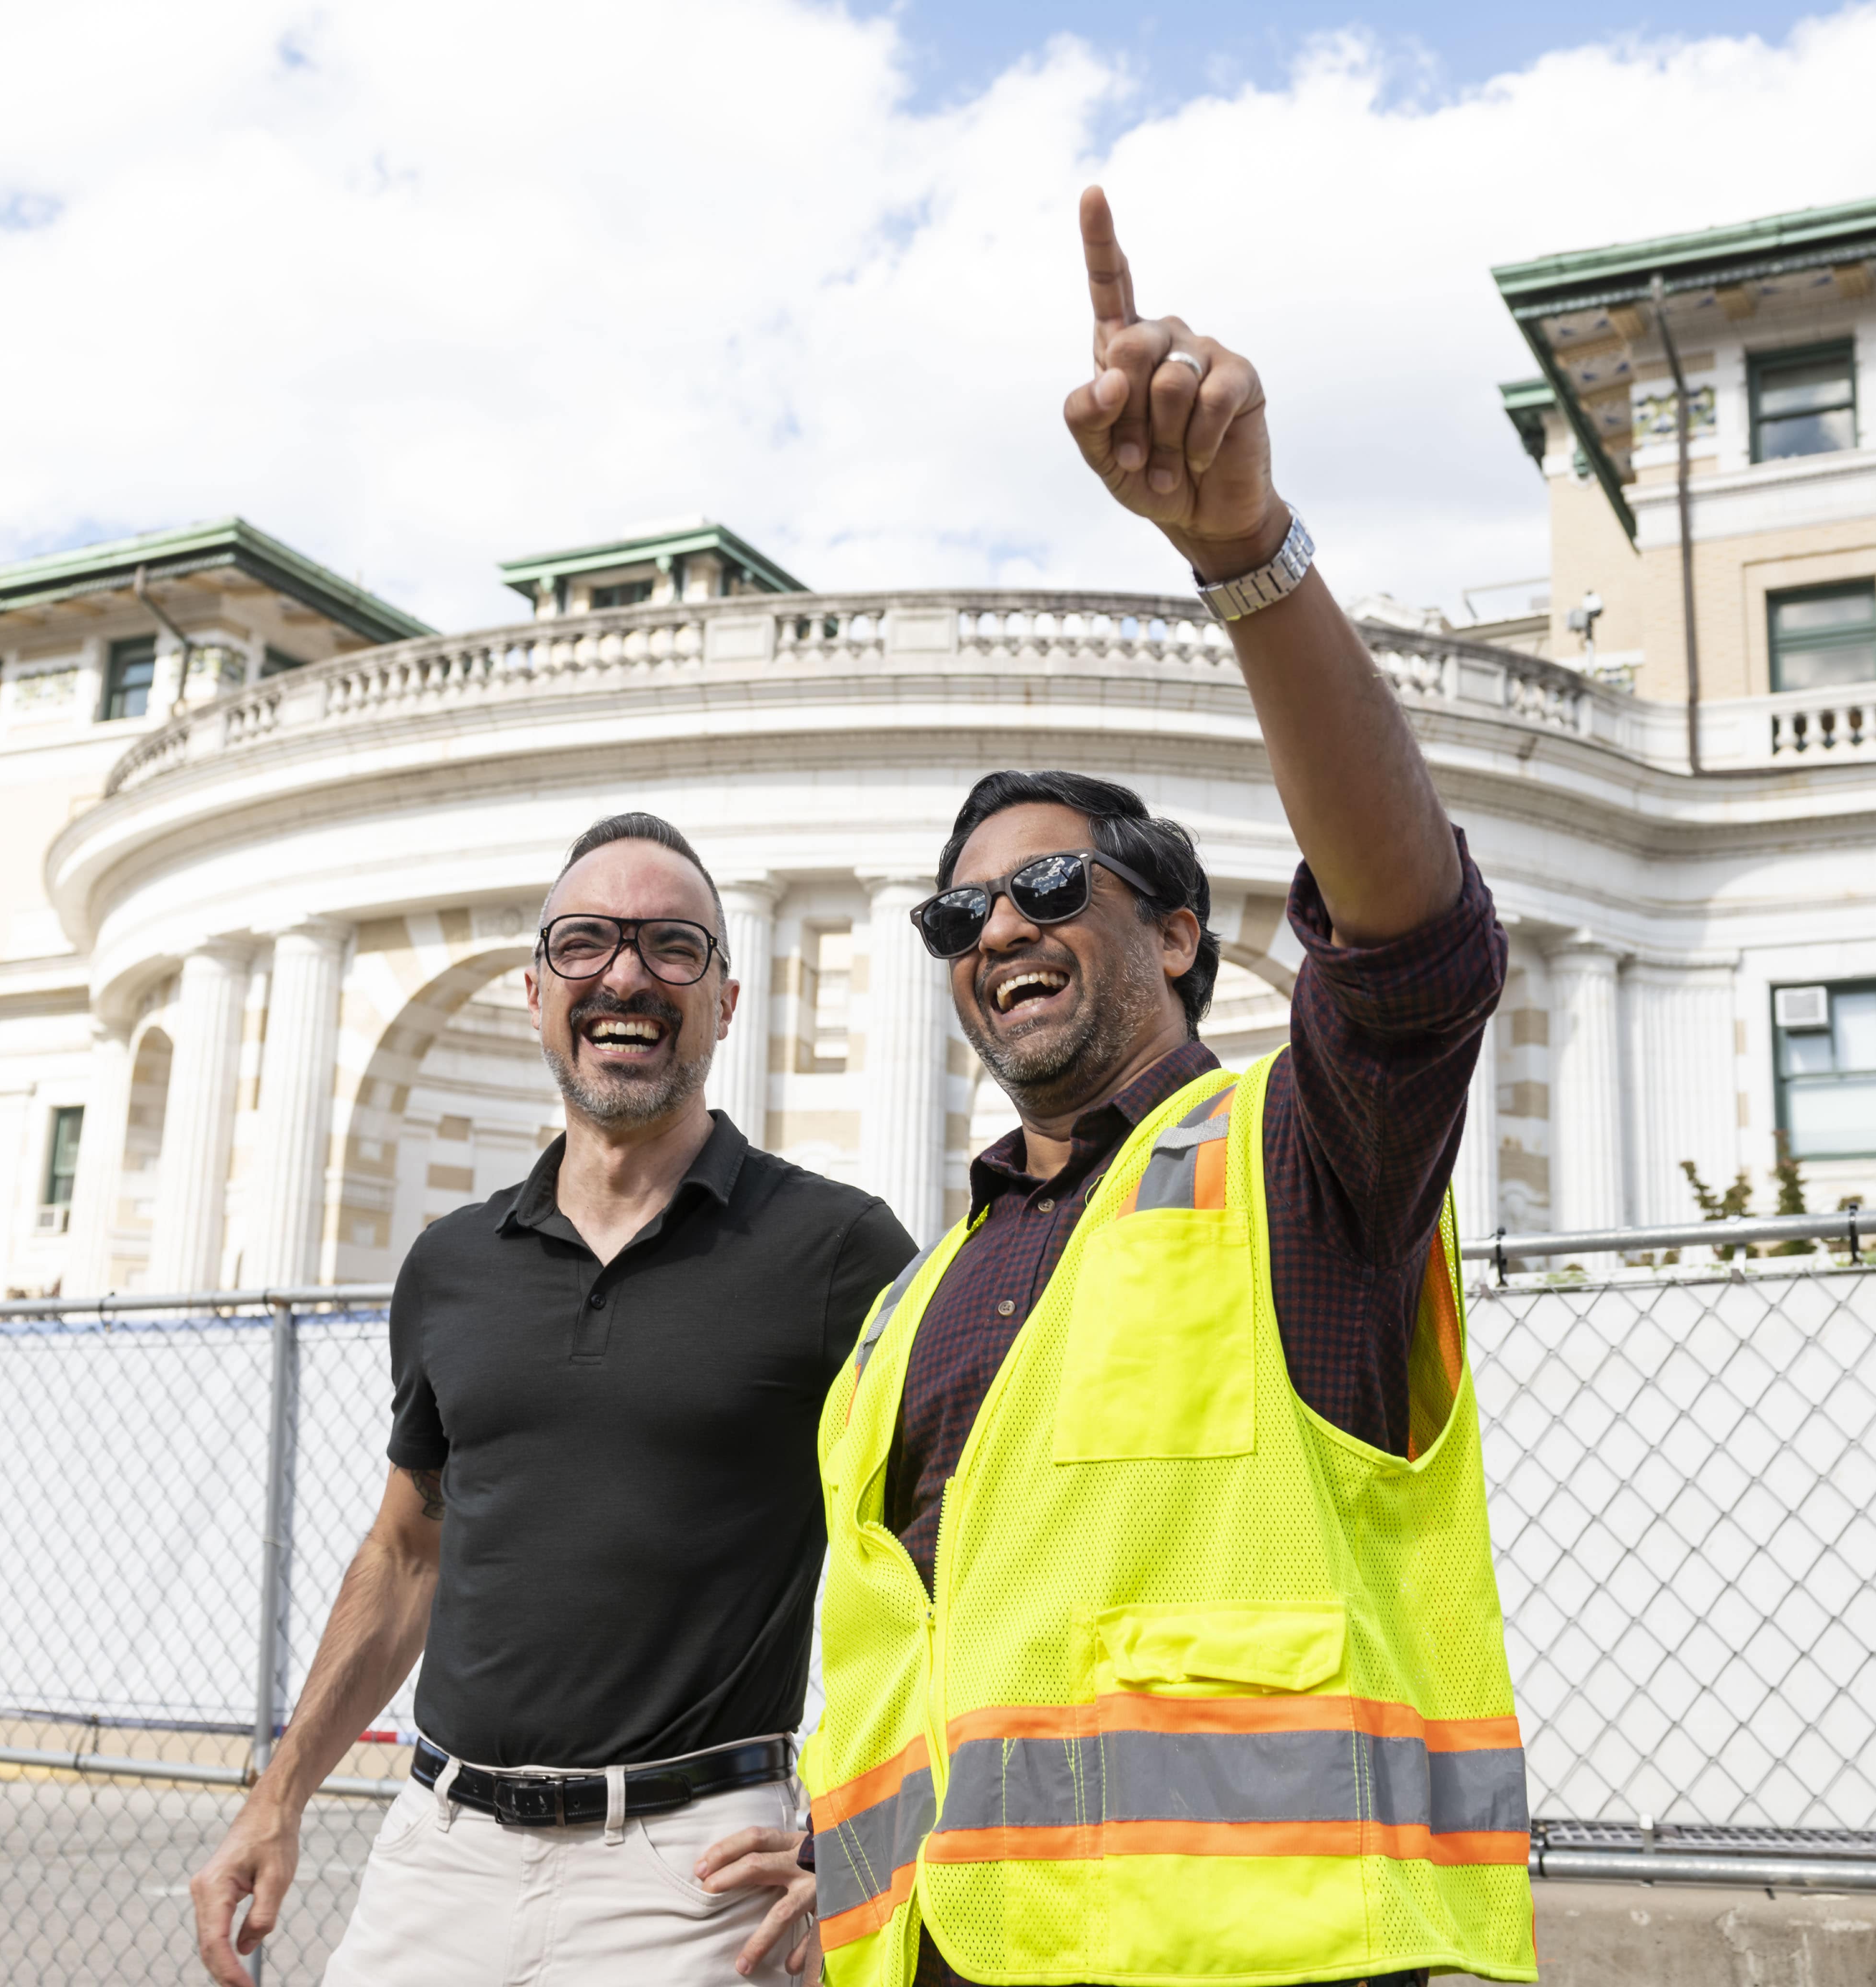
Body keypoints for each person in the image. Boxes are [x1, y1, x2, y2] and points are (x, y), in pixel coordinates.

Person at [701, 190, 1539, 1987]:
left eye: (1052, 884)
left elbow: (1413, 940)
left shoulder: (1301, 1166)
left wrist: (1242, 552)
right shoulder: (925, 1294)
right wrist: (855, 1839)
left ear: (1179, 939)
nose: (997, 920)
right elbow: (938, 1637)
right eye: (959, 908)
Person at [190, 812, 917, 1987]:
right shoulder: (451, 1264)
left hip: (693, 1878)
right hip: (436, 1855)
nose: (626, 973)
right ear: (535, 993)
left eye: (673, 947)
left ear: (726, 1001)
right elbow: (407, 1554)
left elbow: (943, 1561)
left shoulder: (837, 1250)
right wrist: (277, 1798)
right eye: (585, 943)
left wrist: (872, 1830)